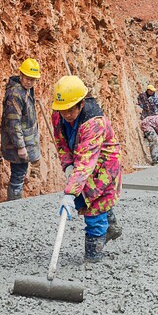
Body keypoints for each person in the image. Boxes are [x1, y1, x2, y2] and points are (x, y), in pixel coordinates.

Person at [51, 75, 124, 261]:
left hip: (103, 164)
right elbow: (61, 143)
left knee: (94, 205)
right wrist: (67, 165)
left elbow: (86, 162)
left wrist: (70, 192)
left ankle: (93, 256)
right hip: (83, 160)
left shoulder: (94, 123)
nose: (66, 114)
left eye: (70, 110)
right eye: (63, 110)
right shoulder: (58, 115)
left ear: (81, 104)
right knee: (85, 199)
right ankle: (112, 226)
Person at [0, 58, 41, 200]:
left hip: (24, 142)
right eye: (28, 78)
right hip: (18, 144)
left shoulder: (26, 90)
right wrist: (21, 146)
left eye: (33, 79)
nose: (30, 82)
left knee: (20, 174)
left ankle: (15, 203)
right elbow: (13, 122)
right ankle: (14, 206)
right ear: (21, 75)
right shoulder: (15, 94)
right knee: (18, 176)